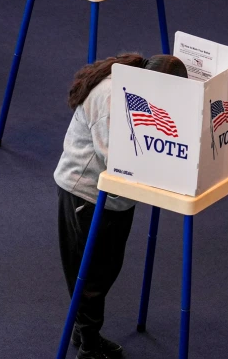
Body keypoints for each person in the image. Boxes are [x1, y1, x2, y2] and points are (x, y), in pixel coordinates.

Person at [55, 53, 189, 359]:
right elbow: (117, 161)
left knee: (106, 270)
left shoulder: (141, 88)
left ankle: (83, 333)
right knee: (90, 277)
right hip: (86, 194)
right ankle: (88, 348)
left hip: (116, 199)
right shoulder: (111, 99)